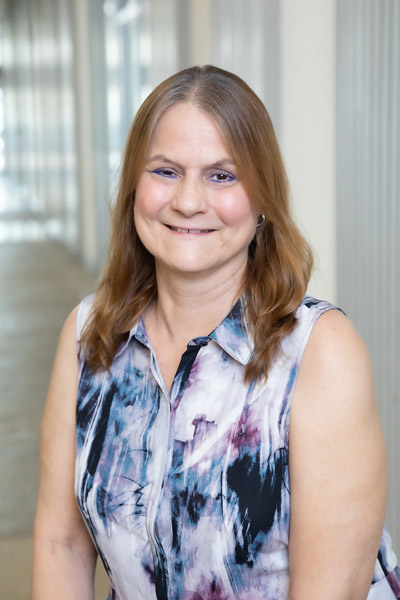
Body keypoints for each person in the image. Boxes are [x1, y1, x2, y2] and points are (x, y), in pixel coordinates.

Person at [31, 65, 400, 600]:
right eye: (165, 171)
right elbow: (60, 543)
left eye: (222, 175)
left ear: (263, 199)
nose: (188, 201)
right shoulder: (90, 336)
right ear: (134, 183)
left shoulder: (319, 353)